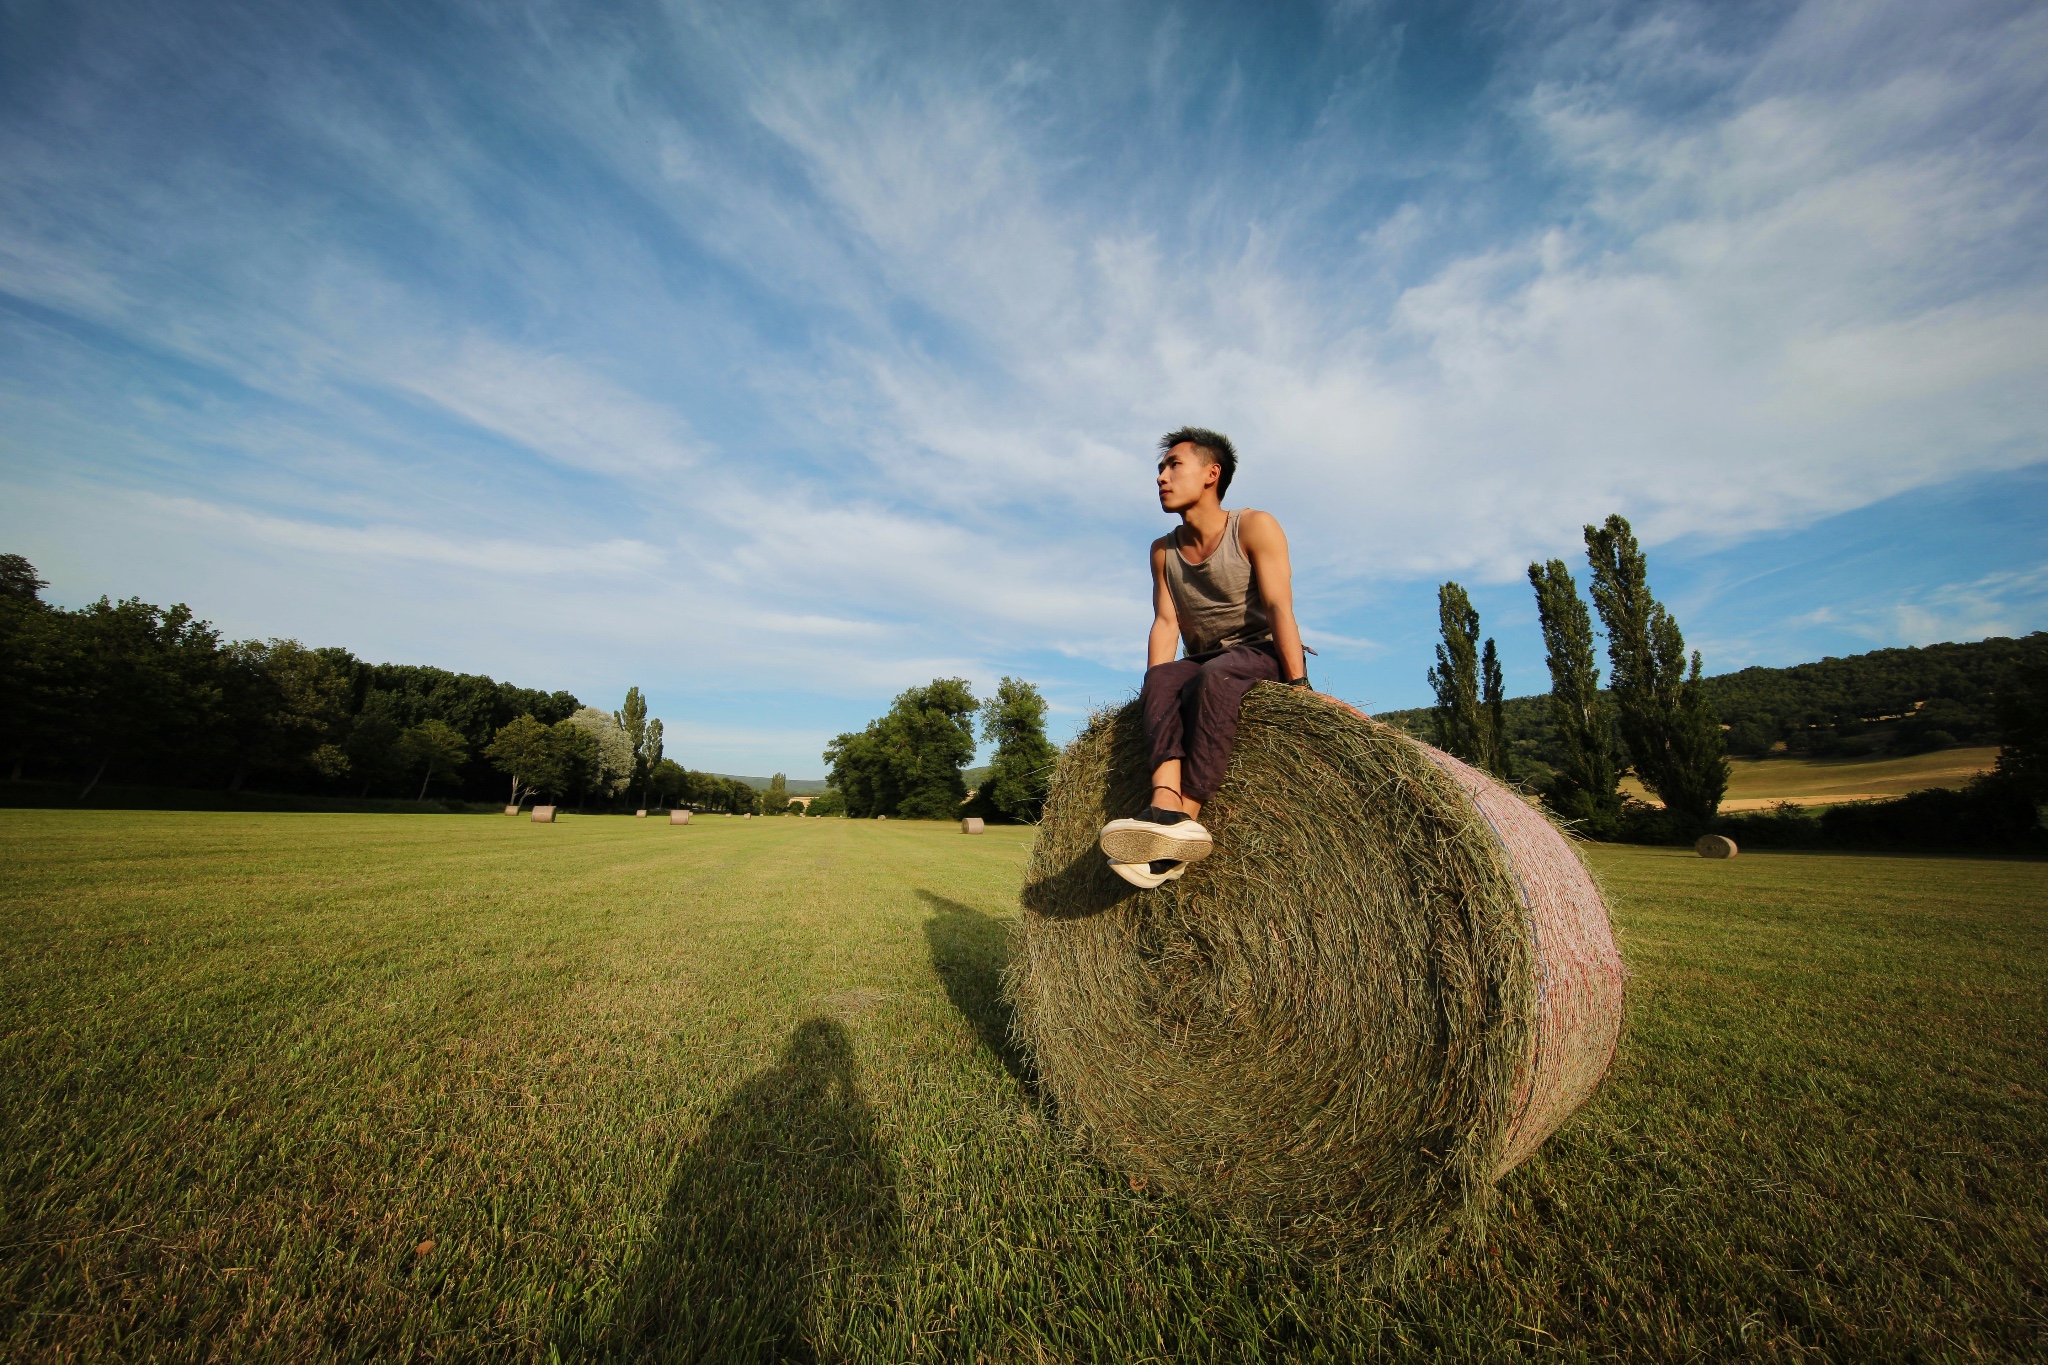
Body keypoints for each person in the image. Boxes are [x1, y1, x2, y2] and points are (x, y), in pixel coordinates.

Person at [1099, 427, 1310, 888]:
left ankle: (1184, 823)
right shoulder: (1163, 550)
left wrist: (1299, 689)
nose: (1161, 477)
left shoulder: (1254, 525)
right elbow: (1166, 624)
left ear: (1212, 474)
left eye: (1174, 466)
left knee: (1214, 677)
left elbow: (1279, 607)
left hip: (1261, 653)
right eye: (1159, 468)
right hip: (1206, 659)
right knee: (1159, 678)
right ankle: (1163, 805)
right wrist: (1154, 699)